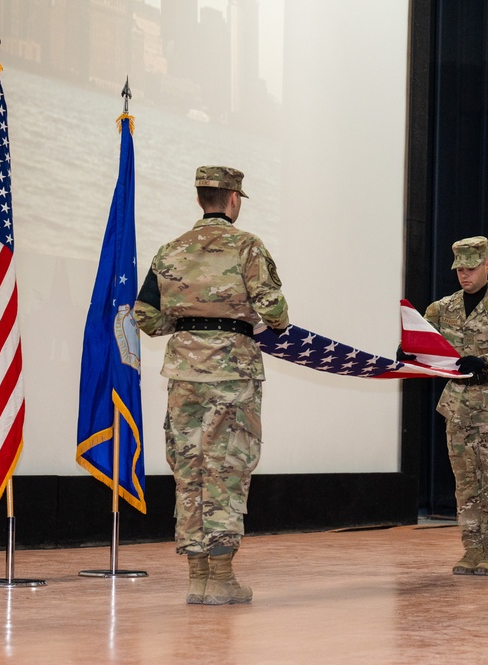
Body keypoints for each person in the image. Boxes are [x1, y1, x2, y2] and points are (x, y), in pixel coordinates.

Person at [134, 165, 289, 605]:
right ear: (234, 199)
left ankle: (197, 579)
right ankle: (221, 578)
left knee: (190, 471)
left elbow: (143, 313)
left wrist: (183, 328)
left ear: (201, 198)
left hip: (184, 375)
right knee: (227, 469)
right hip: (232, 374)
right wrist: (273, 321)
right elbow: (273, 308)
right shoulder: (247, 246)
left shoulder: (170, 250)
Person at [420, 236, 488, 576]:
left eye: (471, 269)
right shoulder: (442, 308)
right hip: (460, 406)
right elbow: (422, 339)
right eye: (459, 270)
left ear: (487, 265)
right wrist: (406, 351)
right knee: (466, 484)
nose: (464, 276)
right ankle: (471, 547)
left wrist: (484, 360)